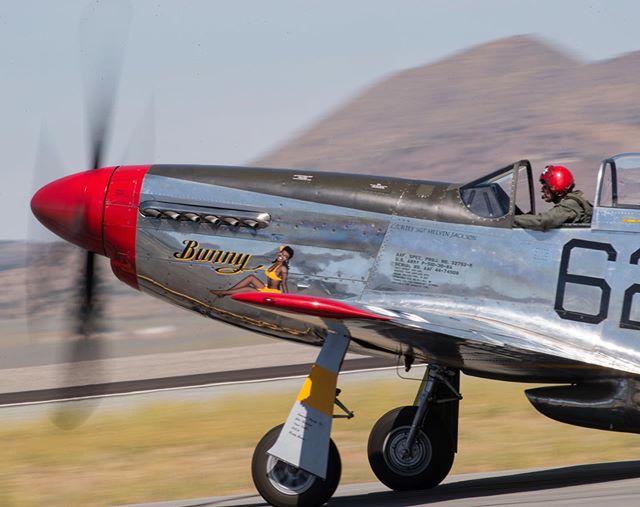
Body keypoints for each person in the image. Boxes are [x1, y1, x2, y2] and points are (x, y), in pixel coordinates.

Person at [514, 165, 592, 231]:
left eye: (545, 187)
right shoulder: (573, 201)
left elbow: (543, 221)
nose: (541, 190)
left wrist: (512, 220)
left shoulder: (569, 205)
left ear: (556, 187)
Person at [210, 246, 294, 296]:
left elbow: (283, 284)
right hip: (266, 288)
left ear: (287, 259)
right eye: (282, 253)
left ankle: (223, 292)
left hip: (272, 293)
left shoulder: (283, 268)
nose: (282, 256)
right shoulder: (275, 263)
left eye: (285, 256)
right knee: (251, 277)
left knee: (248, 288)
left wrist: (286, 299)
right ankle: (226, 292)